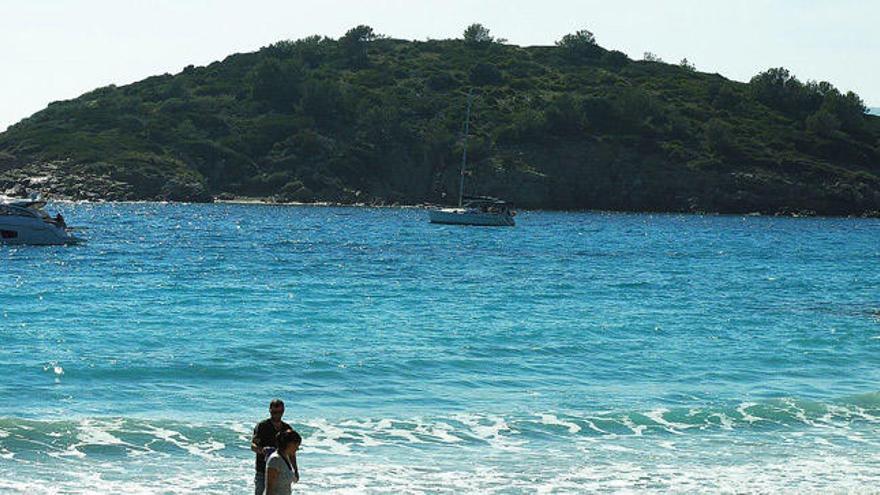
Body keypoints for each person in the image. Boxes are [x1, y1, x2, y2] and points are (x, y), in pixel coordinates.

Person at [252, 399, 291, 495]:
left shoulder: (287, 429)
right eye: (274, 412)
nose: (277, 414)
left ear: (283, 411)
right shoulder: (262, 426)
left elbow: (292, 451)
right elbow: (253, 446)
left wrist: (294, 469)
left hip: (281, 470)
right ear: (270, 410)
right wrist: (262, 450)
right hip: (263, 469)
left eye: (279, 412)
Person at [265, 429, 301, 495]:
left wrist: (296, 471)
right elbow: (269, 487)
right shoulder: (275, 459)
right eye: (297, 445)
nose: (297, 449)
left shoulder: (285, 457)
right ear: (290, 444)